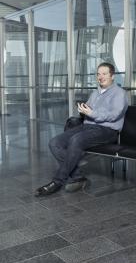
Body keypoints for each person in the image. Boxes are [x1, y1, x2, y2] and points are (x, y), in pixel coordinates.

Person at [34, 63, 128, 196]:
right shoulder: (95, 93)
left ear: (112, 76)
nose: (100, 77)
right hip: (88, 126)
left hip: (107, 131)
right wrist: (83, 110)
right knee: (54, 142)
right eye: (98, 74)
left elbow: (114, 116)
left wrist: (92, 113)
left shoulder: (120, 94)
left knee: (76, 140)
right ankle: (78, 176)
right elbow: (89, 109)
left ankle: (57, 181)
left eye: (104, 74)